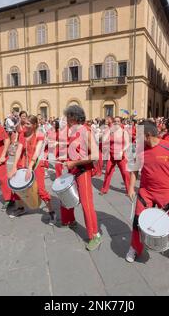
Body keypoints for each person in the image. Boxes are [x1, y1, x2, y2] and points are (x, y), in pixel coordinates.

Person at [125, 120, 169, 271]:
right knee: (137, 222)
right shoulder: (139, 149)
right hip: (146, 192)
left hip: (166, 194)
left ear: (148, 135)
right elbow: (135, 170)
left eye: (139, 135)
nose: (137, 138)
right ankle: (135, 248)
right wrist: (131, 188)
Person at [58, 105, 102, 251]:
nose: (67, 120)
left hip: (83, 171)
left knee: (86, 204)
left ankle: (95, 235)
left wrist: (74, 162)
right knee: (66, 196)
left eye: (69, 118)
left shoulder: (86, 132)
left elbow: (95, 155)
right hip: (73, 169)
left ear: (75, 118)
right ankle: (70, 220)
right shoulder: (71, 132)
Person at [9, 115, 55, 223]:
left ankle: (51, 211)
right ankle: (21, 208)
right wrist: (14, 166)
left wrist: (30, 167)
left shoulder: (39, 134)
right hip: (23, 163)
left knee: (41, 190)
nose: (25, 125)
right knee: (16, 186)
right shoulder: (22, 134)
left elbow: (37, 152)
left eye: (28, 124)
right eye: (24, 123)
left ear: (34, 125)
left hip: (36, 164)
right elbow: (19, 150)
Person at [99, 116, 131, 195]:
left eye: (118, 121)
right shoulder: (111, 131)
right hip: (111, 156)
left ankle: (129, 190)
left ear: (121, 123)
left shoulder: (124, 131)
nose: (116, 123)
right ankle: (104, 189)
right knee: (107, 172)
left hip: (121, 156)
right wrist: (109, 130)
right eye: (115, 121)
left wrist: (122, 150)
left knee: (125, 173)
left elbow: (127, 144)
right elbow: (103, 140)